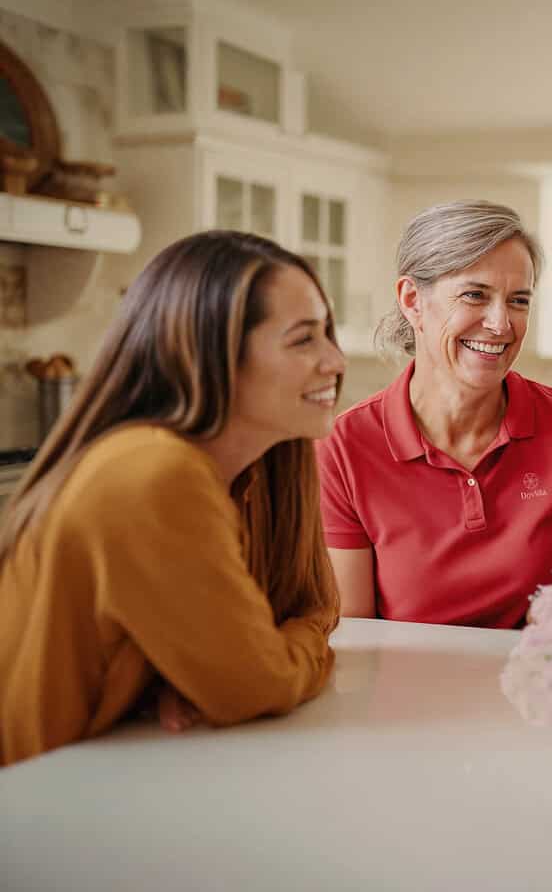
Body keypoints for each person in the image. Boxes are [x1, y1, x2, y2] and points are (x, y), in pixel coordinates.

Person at [0, 231, 345, 767]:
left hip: (106, 774)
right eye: (303, 340)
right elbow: (256, 683)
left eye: (327, 332)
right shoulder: (154, 473)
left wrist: (209, 665)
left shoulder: (265, 468)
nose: (336, 360)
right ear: (212, 352)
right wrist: (243, 662)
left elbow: (313, 606)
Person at [318, 200, 552, 626]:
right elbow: (357, 636)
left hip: (536, 680)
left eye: (518, 300)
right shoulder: (344, 447)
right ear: (412, 300)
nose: (501, 323)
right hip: (404, 687)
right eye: (475, 295)